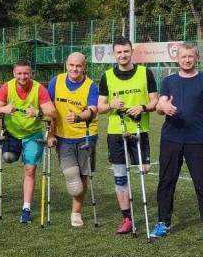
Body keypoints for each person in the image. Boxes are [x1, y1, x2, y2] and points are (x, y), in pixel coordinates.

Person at [97, 36, 158, 234]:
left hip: (139, 130)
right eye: (119, 52)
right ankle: (127, 218)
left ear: (132, 51)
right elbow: (100, 107)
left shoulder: (145, 73)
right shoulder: (107, 76)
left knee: (144, 168)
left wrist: (142, 107)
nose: (122, 55)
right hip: (116, 132)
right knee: (120, 176)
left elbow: (155, 102)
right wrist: (111, 105)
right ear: (114, 54)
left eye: (126, 51)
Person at [0, 60, 55, 223]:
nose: (23, 76)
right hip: (12, 133)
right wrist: (4, 109)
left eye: (26, 73)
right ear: (14, 74)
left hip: (32, 134)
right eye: (19, 73)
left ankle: (26, 208)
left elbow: (52, 112)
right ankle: (14, 151)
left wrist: (38, 112)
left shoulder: (39, 88)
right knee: (8, 157)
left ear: (31, 73)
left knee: (30, 170)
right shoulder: (7, 87)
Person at [150, 43, 203, 239]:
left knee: (201, 183)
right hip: (171, 139)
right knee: (166, 181)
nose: (187, 60)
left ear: (196, 58)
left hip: (197, 139)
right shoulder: (169, 81)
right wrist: (163, 107)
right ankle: (163, 223)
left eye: (190, 56)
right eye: (183, 56)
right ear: (177, 59)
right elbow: (159, 106)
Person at [47, 52, 98, 227]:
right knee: (71, 175)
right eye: (71, 65)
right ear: (66, 65)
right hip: (63, 137)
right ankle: (77, 205)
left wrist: (78, 117)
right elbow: (49, 109)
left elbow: (92, 110)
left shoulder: (91, 86)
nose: (74, 69)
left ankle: (76, 213)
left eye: (78, 66)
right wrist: (50, 134)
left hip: (86, 135)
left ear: (84, 67)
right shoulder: (56, 81)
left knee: (82, 176)